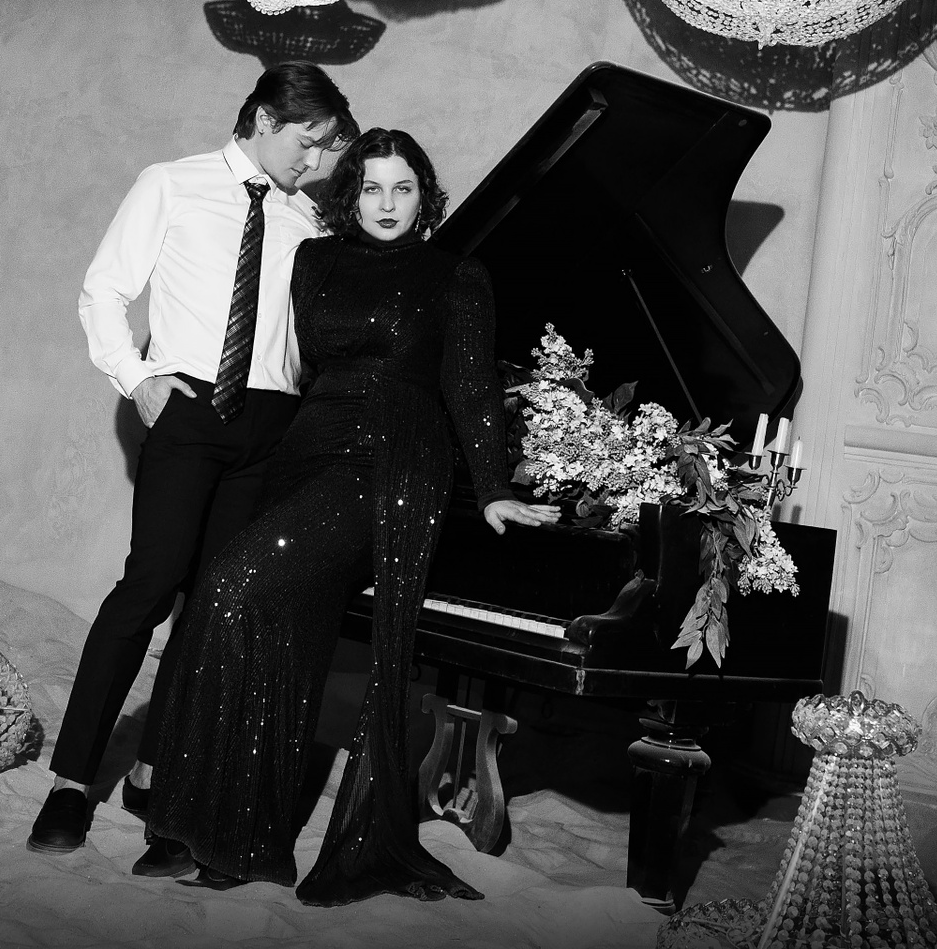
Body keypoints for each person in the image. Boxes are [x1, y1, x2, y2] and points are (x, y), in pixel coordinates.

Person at [143, 128, 559, 905]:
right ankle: (228, 835)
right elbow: (277, 353)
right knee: (261, 620)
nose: (387, 203)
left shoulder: (455, 274)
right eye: (372, 187)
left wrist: (493, 487)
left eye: (403, 188)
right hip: (307, 449)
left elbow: (471, 389)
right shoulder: (315, 260)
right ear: (351, 195)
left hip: (391, 461)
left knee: (237, 584)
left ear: (424, 196)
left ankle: (223, 827)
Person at [28, 63, 356, 875]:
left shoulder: (309, 219)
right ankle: (71, 782)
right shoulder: (171, 183)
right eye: (308, 142)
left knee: (211, 610)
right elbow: (104, 290)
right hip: (189, 409)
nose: (315, 162)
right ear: (264, 118)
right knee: (150, 587)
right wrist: (136, 378)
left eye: (326, 150)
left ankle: (156, 773)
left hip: (272, 426)